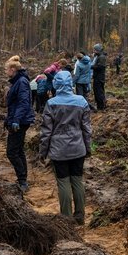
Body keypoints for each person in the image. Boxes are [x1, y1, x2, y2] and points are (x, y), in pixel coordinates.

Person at [39, 70, 91, 224]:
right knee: (77, 180)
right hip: (78, 148)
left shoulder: (51, 103)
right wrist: (87, 148)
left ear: (56, 84)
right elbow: (87, 129)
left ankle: (67, 219)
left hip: (59, 150)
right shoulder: (82, 102)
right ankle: (80, 216)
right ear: (71, 84)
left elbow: (46, 131)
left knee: (63, 182)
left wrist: (43, 152)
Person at [5, 58, 36, 191]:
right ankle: (23, 179)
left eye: (6, 69)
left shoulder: (21, 82)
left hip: (20, 121)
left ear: (13, 69)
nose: (5, 71)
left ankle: (23, 181)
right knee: (18, 150)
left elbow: (23, 103)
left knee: (12, 152)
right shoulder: (18, 81)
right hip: (18, 119)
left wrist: (15, 120)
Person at [91, 44, 107, 111]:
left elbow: (100, 67)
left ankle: (101, 106)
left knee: (99, 92)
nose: (94, 51)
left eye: (95, 50)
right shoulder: (98, 56)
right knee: (96, 91)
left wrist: (92, 66)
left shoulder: (101, 57)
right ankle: (99, 105)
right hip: (97, 77)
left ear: (98, 50)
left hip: (99, 77)